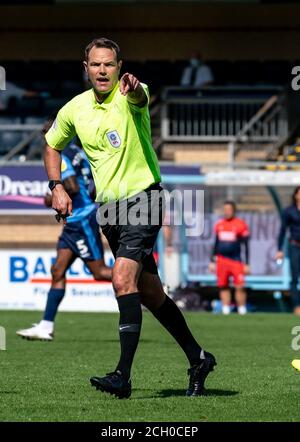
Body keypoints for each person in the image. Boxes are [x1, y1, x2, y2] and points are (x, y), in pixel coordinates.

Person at [43, 37, 216, 399]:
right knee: (151, 294)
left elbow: (140, 97)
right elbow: (51, 144)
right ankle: (198, 358)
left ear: (119, 67)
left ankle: (122, 376)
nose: (102, 70)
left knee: (122, 280)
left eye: (109, 64)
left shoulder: (131, 93)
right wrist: (56, 185)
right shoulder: (74, 108)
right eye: (95, 64)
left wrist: (135, 90)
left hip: (144, 199)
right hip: (109, 210)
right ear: (86, 69)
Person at [16, 138, 112, 341]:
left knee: (100, 272)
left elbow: (72, 187)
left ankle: (144, 283)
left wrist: (50, 197)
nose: (44, 138)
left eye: (45, 132)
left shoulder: (62, 153)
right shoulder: (78, 151)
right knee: (57, 270)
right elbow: (91, 185)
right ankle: (46, 326)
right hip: (75, 222)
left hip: (81, 221)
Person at [209, 201, 250, 315]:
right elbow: (216, 244)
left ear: (234, 211)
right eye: (225, 210)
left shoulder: (240, 224)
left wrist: (247, 263)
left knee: (240, 286)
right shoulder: (219, 225)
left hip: (236, 260)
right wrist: (212, 260)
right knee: (223, 285)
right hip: (222, 260)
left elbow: (246, 245)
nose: (227, 212)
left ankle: (242, 309)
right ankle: (225, 309)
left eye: (229, 210)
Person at [276, 186, 300, 315]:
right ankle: (297, 306)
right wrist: (279, 249)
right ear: (296, 195)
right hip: (295, 246)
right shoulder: (289, 211)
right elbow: (282, 230)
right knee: (295, 277)